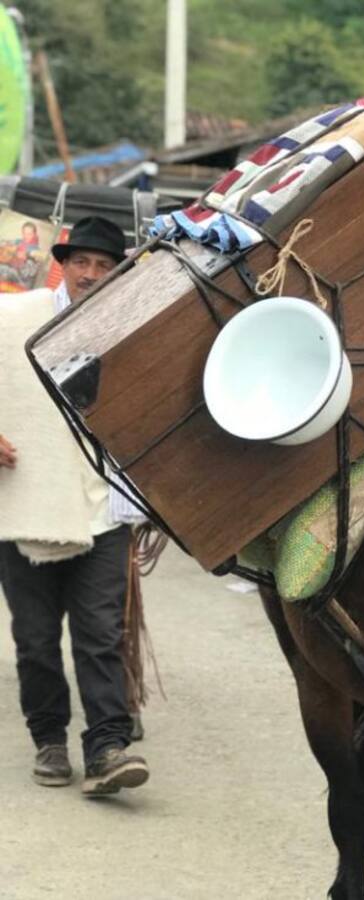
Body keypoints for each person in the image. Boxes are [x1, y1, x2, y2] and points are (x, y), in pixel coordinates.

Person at [0, 215, 150, 796]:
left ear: (117, 272)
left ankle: (108, 747)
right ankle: (49, 740)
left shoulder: (133, 328)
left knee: (99, 633)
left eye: (104, 264)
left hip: (103, 507)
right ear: (64, 265)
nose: (91, 274)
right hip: (28, 505)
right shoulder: (14, 318)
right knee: (35, 640)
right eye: (81, 262)